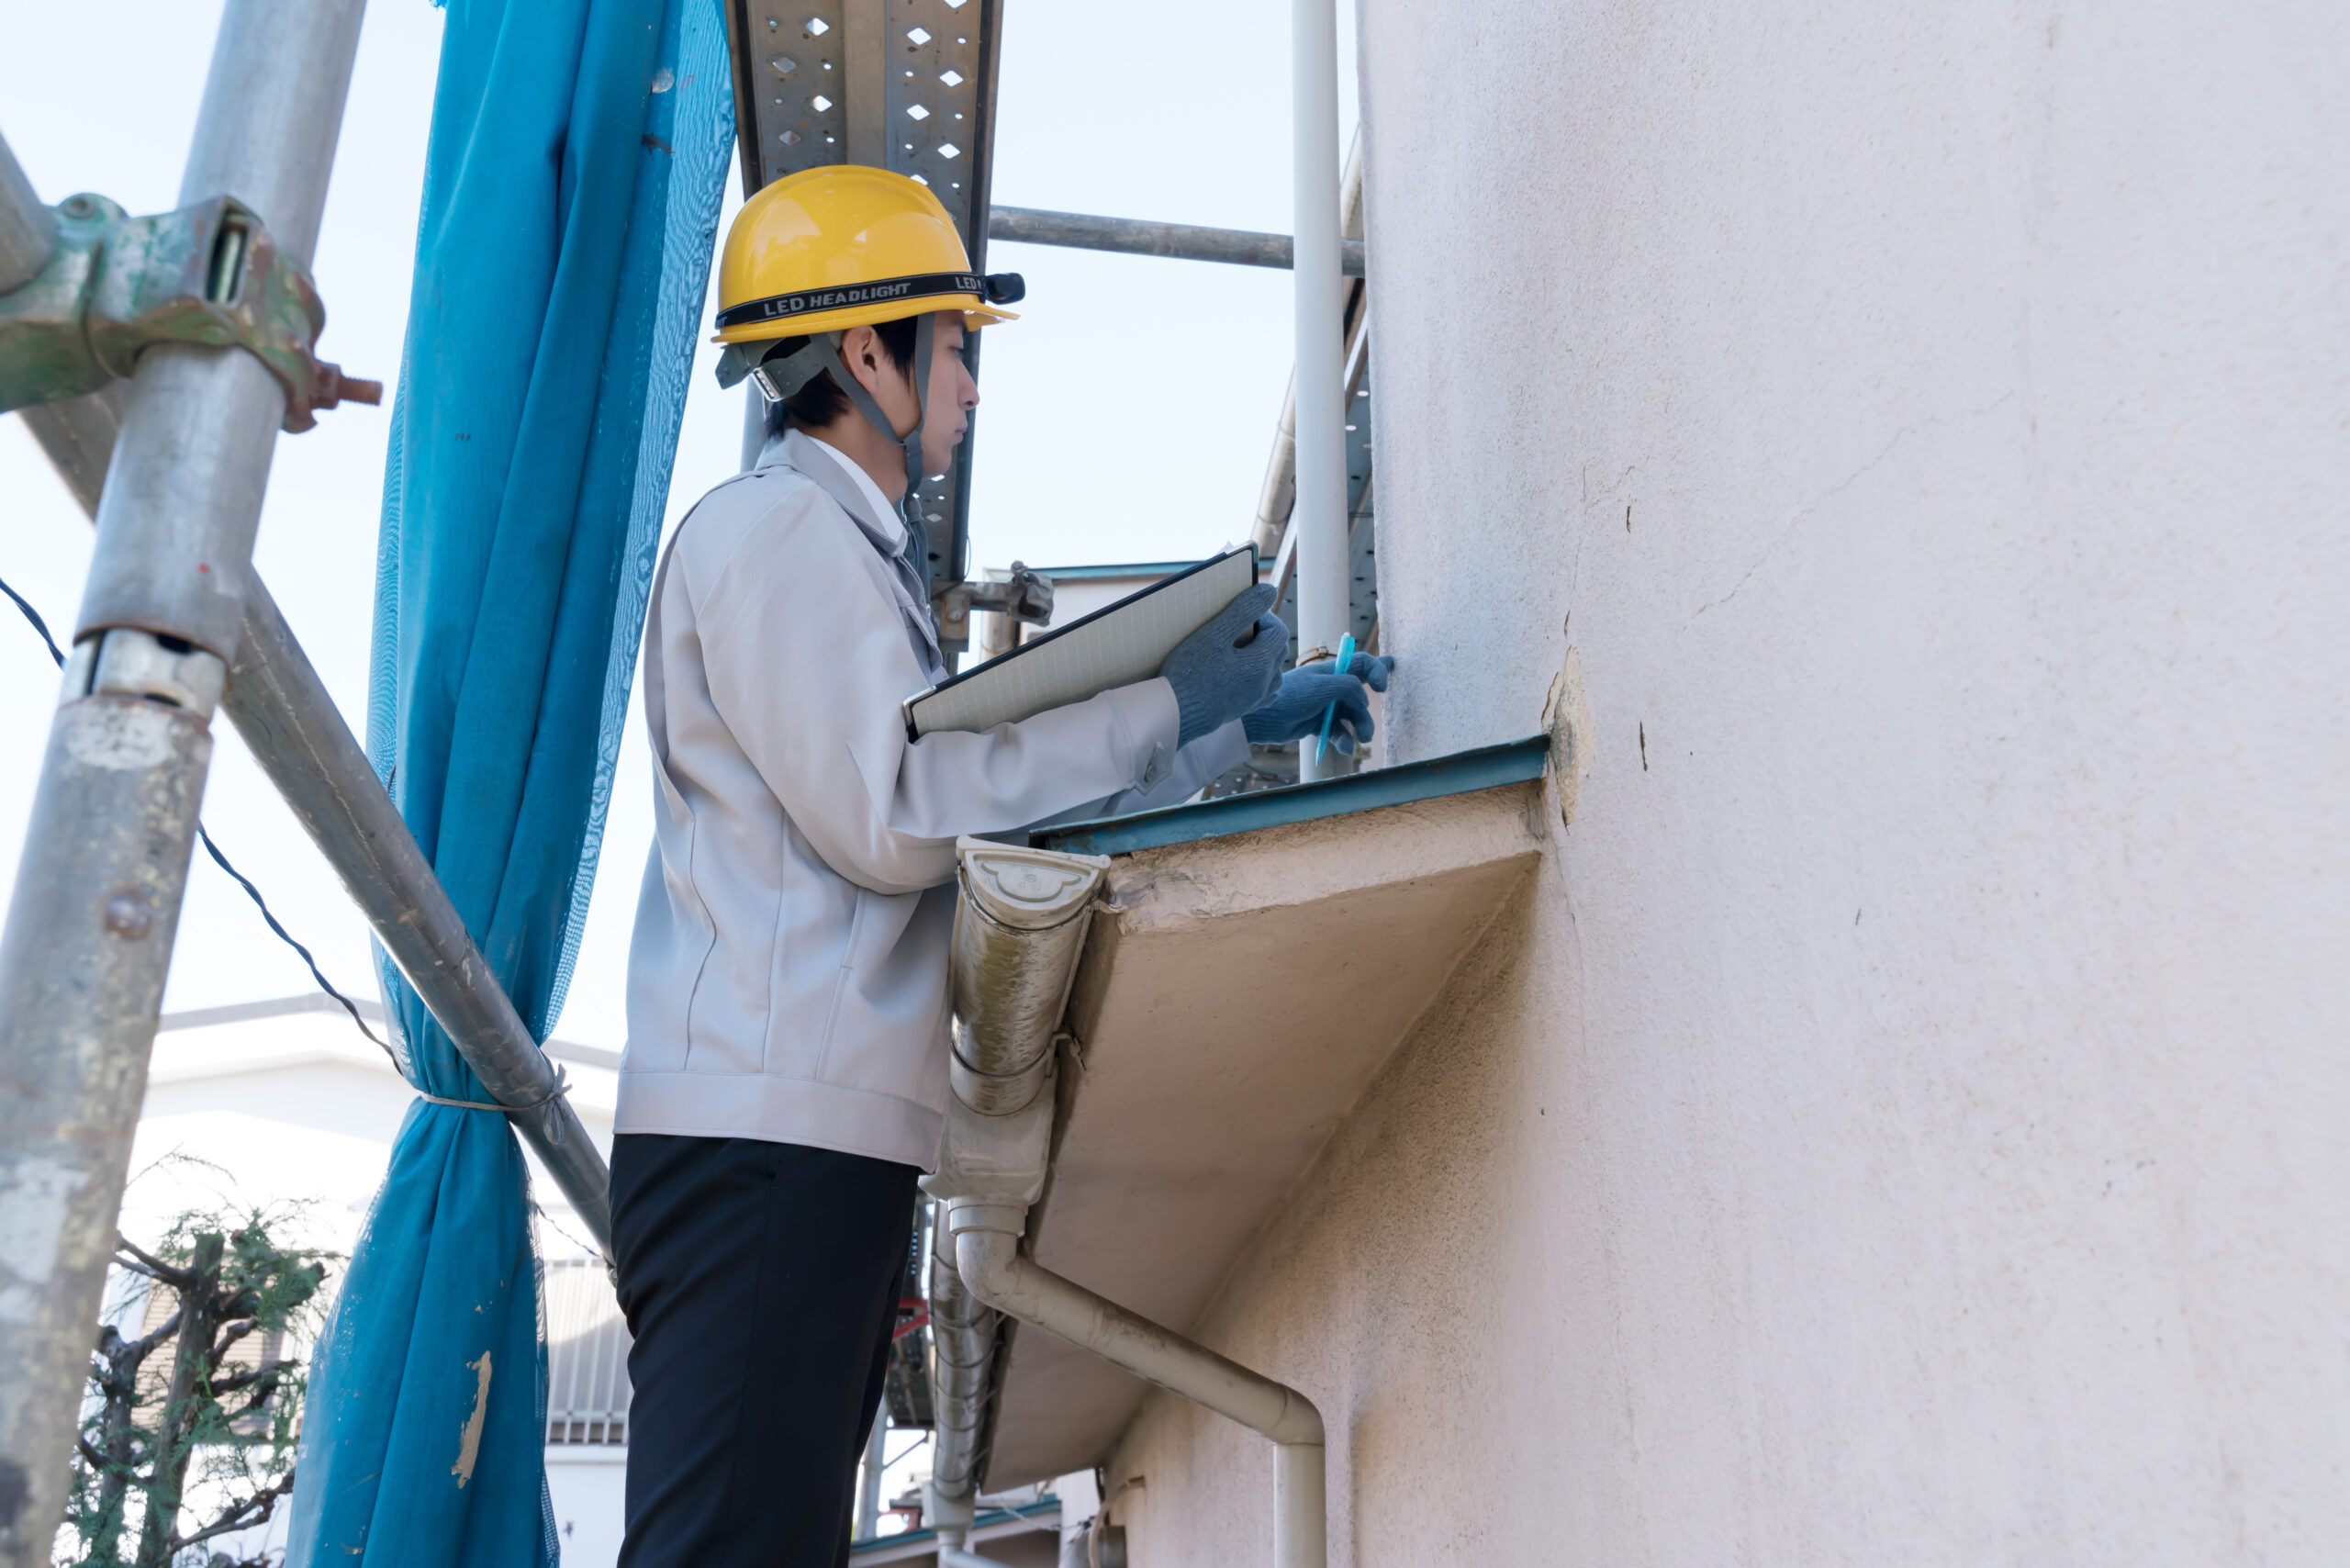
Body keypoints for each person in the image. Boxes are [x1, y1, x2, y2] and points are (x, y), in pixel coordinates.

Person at [609, 166, 1392, 1567]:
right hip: (764, 1145)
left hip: (802, 1141)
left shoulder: (835, 546)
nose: (972, 383)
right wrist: (1165, 706)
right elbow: (898, 815)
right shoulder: (783, 532)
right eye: (955, 342)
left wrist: (1217, 735)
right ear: (866, 349)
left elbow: (968, 812)